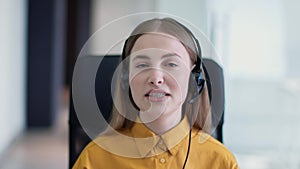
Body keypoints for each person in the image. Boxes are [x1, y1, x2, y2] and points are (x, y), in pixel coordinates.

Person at [73, 17, 239, 169]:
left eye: (171, 64)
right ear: (126, 78)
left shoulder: (220, 162)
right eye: (142, 65)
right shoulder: (94, 159)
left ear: (194, 79)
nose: (156, 78)